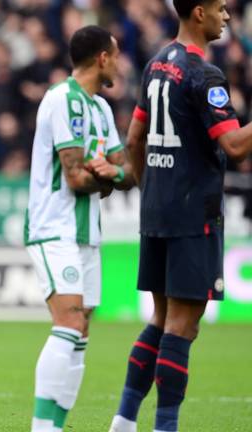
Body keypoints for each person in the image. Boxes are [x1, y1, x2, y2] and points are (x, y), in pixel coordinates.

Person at [109, 1, 252, 431]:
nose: (227, 15)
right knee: (182, 327)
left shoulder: (156, 64)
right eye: (220, 8)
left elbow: (135, 137)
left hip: (157, 209)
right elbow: (235, 147)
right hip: (194, 213)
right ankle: (164, 427)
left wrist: (147, 187)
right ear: (197, 12)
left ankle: (123, 420)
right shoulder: (204, 75)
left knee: (161, 319)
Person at [24, 26, 134, 432]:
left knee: (82, 328)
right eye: (117, 54)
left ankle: (56, 424)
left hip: (87, 233)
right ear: (103, 57)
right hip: (54, 227)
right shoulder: (60, 100)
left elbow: (130, 172)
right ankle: (42, 428)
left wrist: (114, 171)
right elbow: (75, 177)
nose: (120, 62)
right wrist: (110, 175)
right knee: (68, 322)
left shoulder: (102, 110)